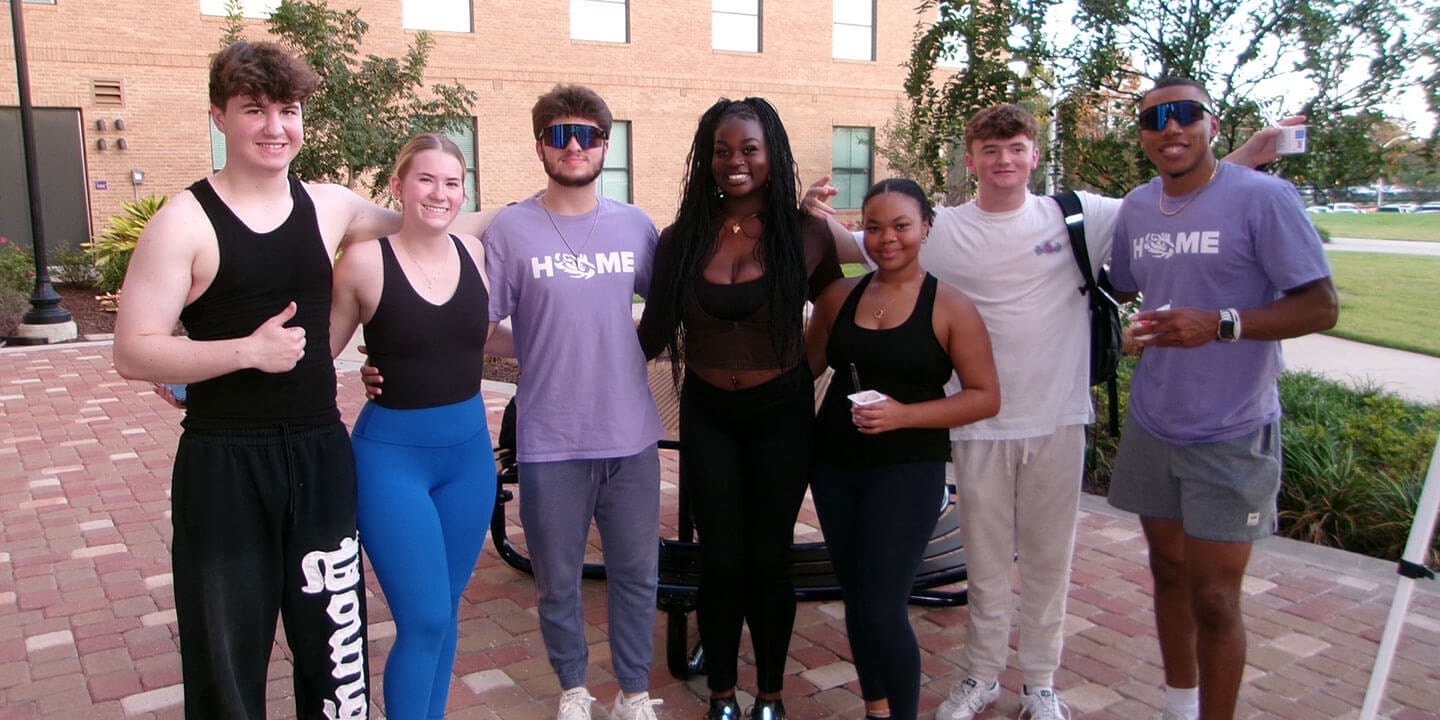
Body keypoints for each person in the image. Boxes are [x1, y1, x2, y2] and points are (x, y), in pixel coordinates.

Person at [805, 105, 1299, 720]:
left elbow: (1177, 186)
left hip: (1059, 417)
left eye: (1015, 147)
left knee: (1047, 562)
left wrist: (1252, 150)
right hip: (978, 424)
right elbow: (865, 240)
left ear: (1034, 154)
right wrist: (807, 210)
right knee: (984, 566)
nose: (1004, 160)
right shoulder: (946, 228)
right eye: (989, 150)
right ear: (970, 160)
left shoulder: (1079, 215)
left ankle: (1039, 682)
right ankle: (980, 676)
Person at [112, 40, 402, 719]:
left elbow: (426, 232)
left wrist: (531, 214)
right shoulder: (183, 222)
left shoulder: (331, 206)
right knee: (226, 662)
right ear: (219, 117)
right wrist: (244, 351)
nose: (276, 127)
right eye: (255, 110)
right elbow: (133, 351)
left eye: (289, 110)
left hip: (320, 453)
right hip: (224, 464)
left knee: (336, 653)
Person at [1106, 78, 1337, 720]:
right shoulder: (1137, 209)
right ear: (1144, 135)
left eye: (1185, 115)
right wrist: (1125, 332)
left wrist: (1223, 322)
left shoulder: (1265, 198)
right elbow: (1125, 289)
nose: (1170, 129)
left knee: (1214, 597)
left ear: (1213, 124)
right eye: (1155, 119)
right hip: (1156, 420)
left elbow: (1321, 307)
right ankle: (1178, 707)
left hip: (1233, 426)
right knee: (1169, 573)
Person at [635, 97, 841, 720]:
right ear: (707, 158)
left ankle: (771, 695)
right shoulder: (680, 239)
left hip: (780, 412)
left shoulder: (806, 234)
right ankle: (722, 693)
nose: (735, 162)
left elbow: (839, 311)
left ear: (773, 154)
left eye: (749, 149)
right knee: (721, 559)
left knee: (768, 557)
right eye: (722, 150)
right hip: (708, 413)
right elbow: (650, 335)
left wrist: (805, 369)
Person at [484, 84, 664, 720]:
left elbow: (677, 303)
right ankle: (574, 690)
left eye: (587, 135)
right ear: (540, 145)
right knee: (556, 580)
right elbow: (475, 321)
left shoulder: (636, 226)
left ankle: (635, 693)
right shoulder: (511, 229)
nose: (575, 146)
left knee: (637, 576)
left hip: (632, 438)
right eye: (560, 135)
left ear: (605, 146)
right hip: (550, 438)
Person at [806, 178, 1000, 720]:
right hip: (835, 466)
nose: (886, 238)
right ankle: (876, 708)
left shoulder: (951, 307)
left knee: (883, 603)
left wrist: (904, 416)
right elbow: (803, 370)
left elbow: (986, 397)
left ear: (925, 229)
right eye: (873, 227)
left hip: (909, 467)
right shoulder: (839, 297)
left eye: (900, 226)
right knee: (858, 596)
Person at [328, 133, 496, 720]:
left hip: (470, 460)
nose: (439, 193)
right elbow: (318, 352)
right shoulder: (366, 260)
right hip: (392, 462)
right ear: (398, 186)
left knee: (444, 615)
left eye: (452, 182)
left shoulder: (473, 254)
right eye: (425, 179)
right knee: (423, 618)